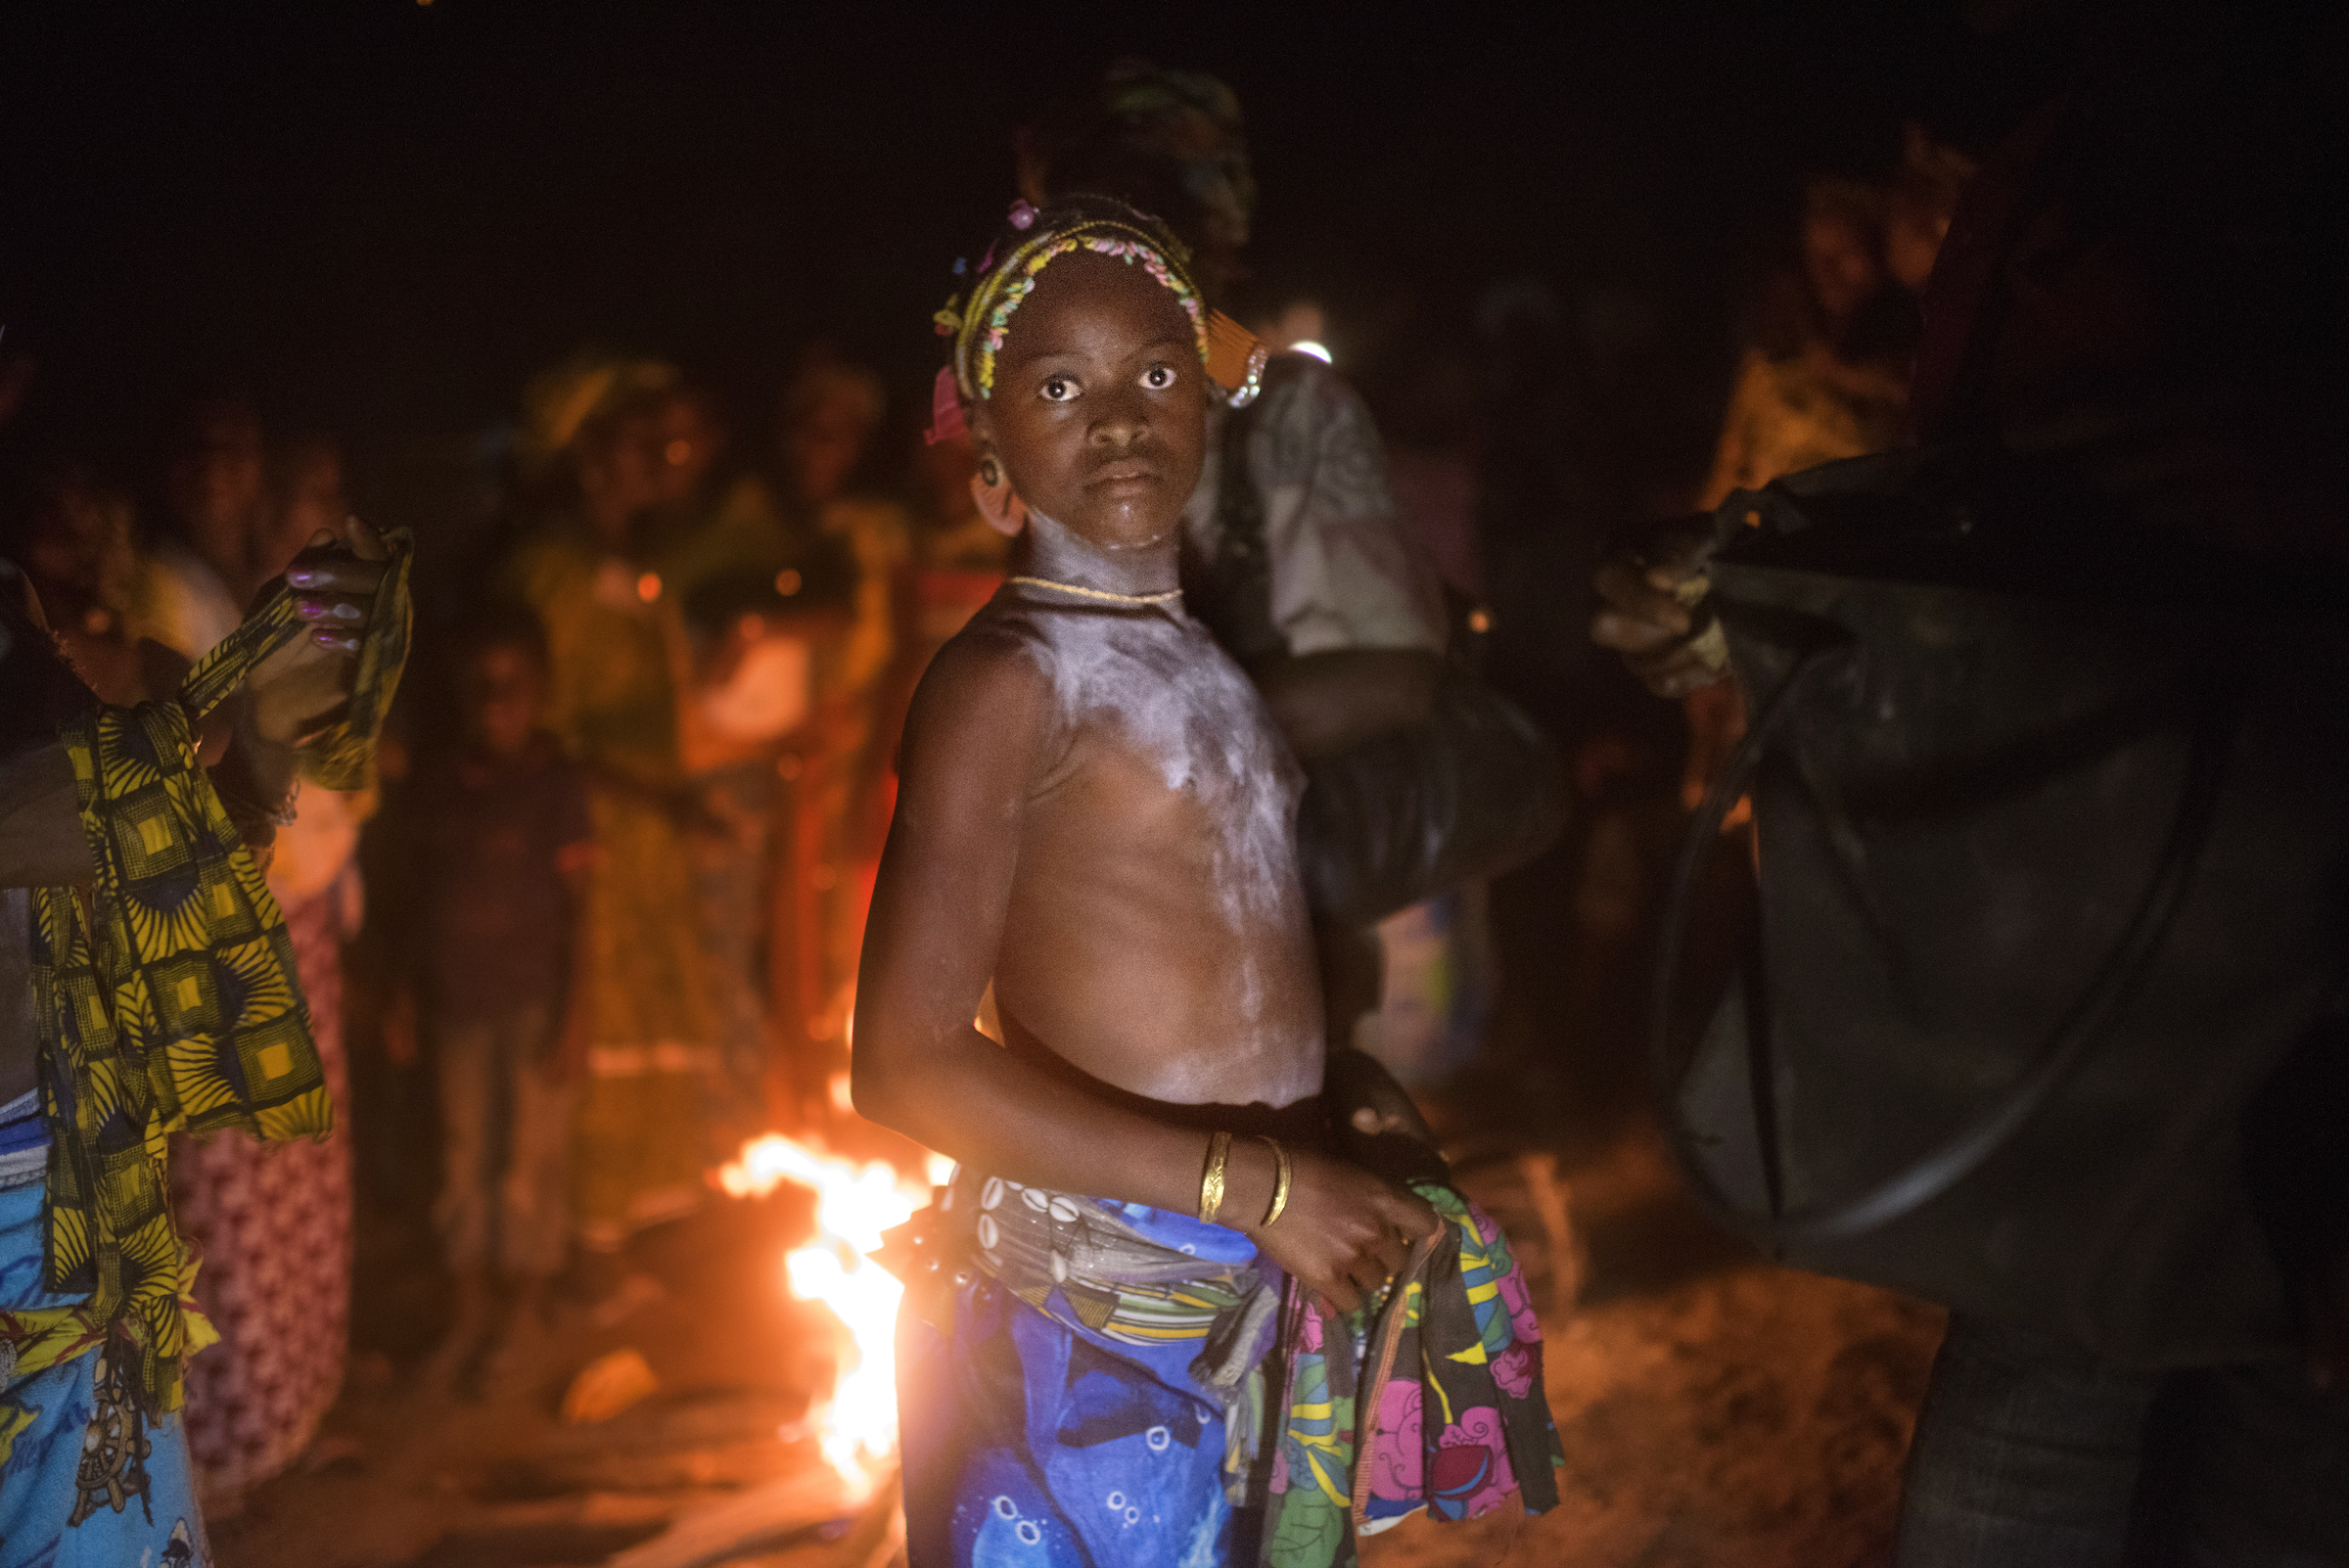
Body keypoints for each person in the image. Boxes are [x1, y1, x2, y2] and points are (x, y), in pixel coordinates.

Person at [1591, 9, 2348, 1563]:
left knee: (2285, 1392)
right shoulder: (2056, 168)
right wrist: (1748, 585)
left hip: (2298, 880)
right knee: (2051, 1366)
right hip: (2090, 906)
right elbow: (1981, 496)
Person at [857, 197, 1558, 1568]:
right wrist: (1265, 1188)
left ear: (1210, 413)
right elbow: (902, 1063)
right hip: (1094, 1328)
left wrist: (1338, 1097)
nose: (1120, 413)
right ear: (993, 468)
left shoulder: (1207, 665)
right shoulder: (1006, 683)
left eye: (1157, 373)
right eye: (1061, 385)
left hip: (1239, 1288)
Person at [1018, 62, 1559, 1070]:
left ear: (1215, 239)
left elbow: (1391, 674)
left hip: (1262, 938)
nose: (1107, 257)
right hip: (1104, 936)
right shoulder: (1045, 426)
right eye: (1079, 227)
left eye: (1144, 221)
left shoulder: (1285, 414)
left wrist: (1124, 762)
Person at [0, 512, 406, 1563]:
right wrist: (261, 716)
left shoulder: (57, 836)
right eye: (24, 632)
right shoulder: (35, 825)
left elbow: (188, 851)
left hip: (81, 1312)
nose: (52, 646)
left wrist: (274, 723)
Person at [500, 357, 714, 1295]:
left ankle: (633, 1236)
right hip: (592, 843)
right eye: (640, 443)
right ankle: (583, 1251)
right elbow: (539, 731)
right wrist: (657, 795)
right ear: (589, 456)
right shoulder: (549, 571)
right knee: (598, 1036)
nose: (660, 459)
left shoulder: (637, 568)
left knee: (658, 1029)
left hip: (653, 849)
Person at [389, 606, 593, 1389]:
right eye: (481, 687)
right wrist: (406, 996)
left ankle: (521, 1311)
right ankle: (468, 1309)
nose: (496, 701)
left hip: (534, 1006)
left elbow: (584, 914)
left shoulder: (556, 785)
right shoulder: (443, 785)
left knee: (527, 1163)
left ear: (541, 692)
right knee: (462, 1158)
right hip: (457, 1005)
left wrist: (578, 1018)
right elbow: (419, 897)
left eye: (513, 686)